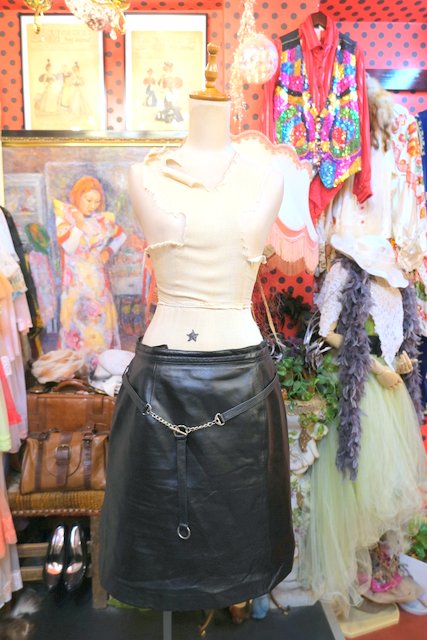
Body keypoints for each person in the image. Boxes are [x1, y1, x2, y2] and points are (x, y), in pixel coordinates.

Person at [100, 45, 294, 613]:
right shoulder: (146, 173)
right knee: (155, 530)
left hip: (243, 383)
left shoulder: (267, 177)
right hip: (159, 382)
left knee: (241, 534)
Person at [302, 233, 427, 616]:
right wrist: (374, 366)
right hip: (360, 388)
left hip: (389, 389)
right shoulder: (344, 270)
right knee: (358, 484)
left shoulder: (398, 275)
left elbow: (396, 335)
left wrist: (400, 361)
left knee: (388, 483)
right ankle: (358, 572)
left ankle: (383, 568)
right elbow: (326, 331)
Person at [54, 176, 126, 369]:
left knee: (100, 327)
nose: (92, 206)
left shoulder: (101, 220)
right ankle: (79, 371)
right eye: (88, 200)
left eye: (96, 201)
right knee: (77, 327)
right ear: (78, 196)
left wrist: (108, 251)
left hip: (97, 284)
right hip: (75, 286)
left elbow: (121, 235)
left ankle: (101, 368)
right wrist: (78, 224)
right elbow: (70, 247)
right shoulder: (64, 217)